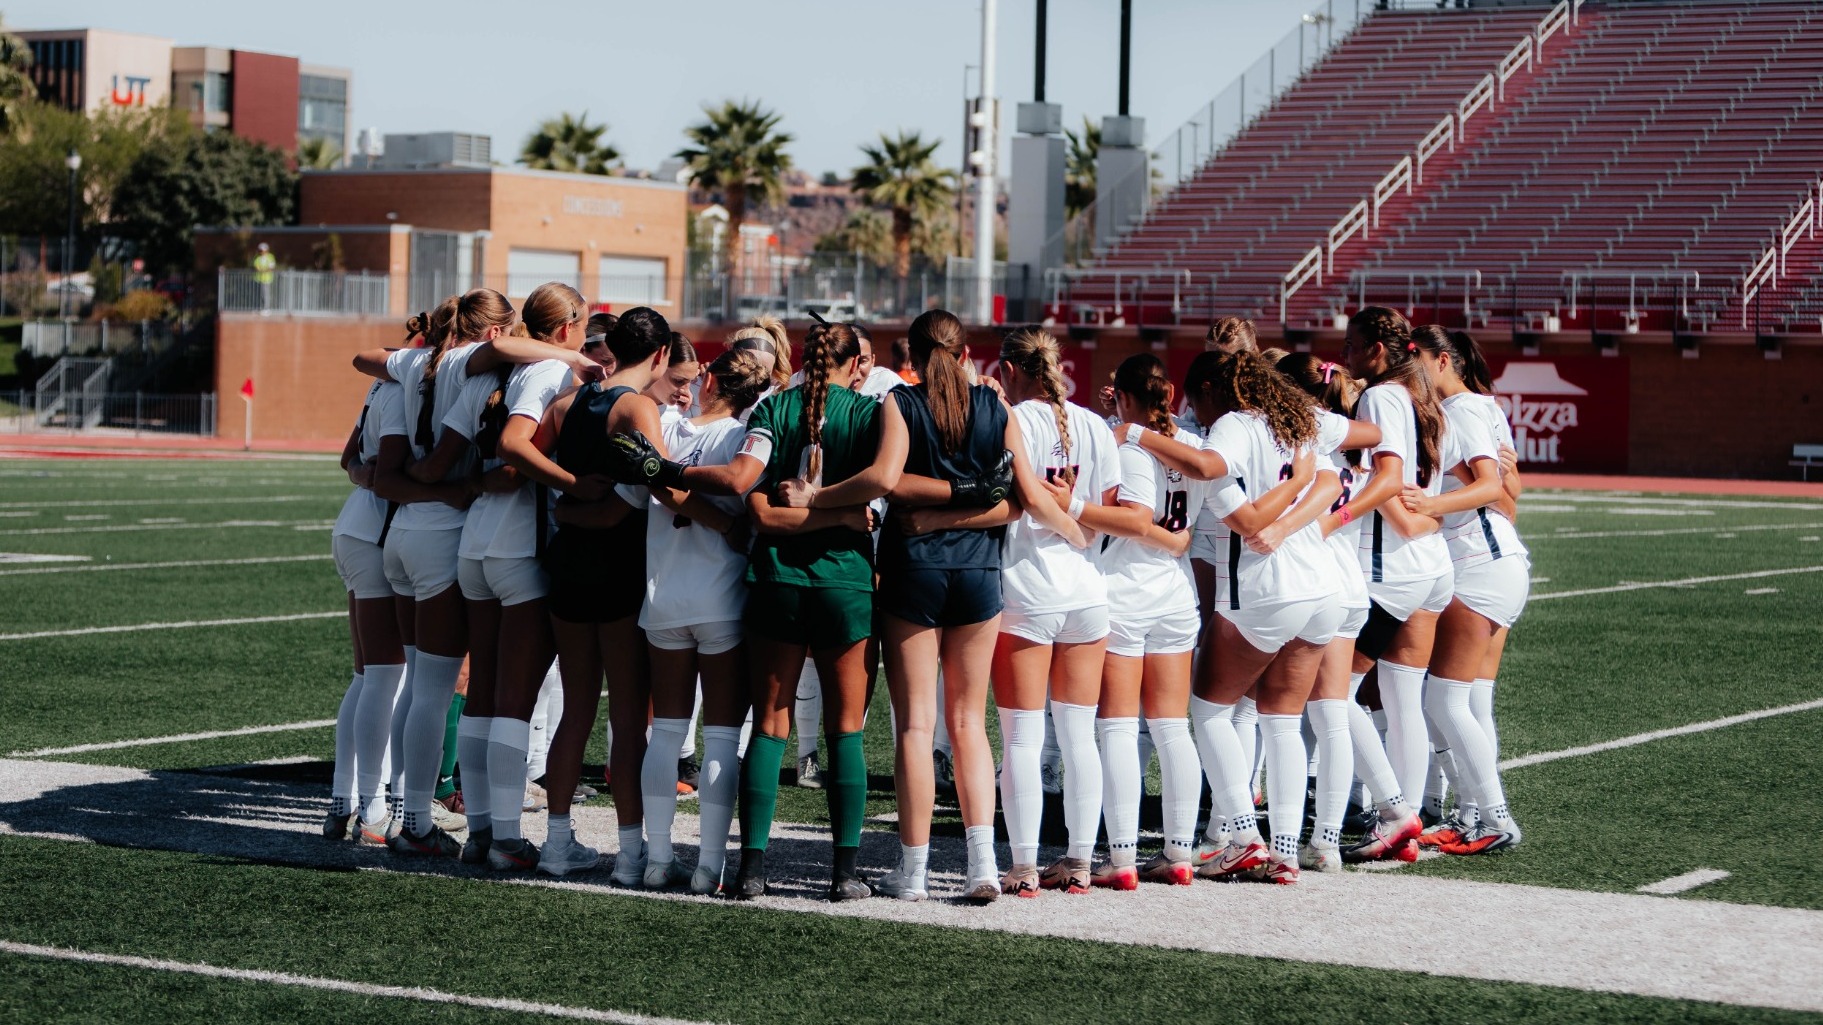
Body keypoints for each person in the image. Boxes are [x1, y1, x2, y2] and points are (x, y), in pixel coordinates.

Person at [867, 311, 1080, 902]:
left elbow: (889, 482)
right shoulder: (996, 407)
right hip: (980, 573)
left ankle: (913, 871)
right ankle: (982, 864)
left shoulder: (901, 403)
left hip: (915, 567)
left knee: (915, 724)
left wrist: (939, 506)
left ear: (911, 354)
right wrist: (1072, 527)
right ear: (966, 355)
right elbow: (1025, 496)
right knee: (969, 723)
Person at [1122, 350, 1347, 884]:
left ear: (1210, 388)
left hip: (1266, 587)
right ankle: (1286, 852)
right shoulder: (1293, 420)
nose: (1193, 411)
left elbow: (1211, 474)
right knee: (1282, 720)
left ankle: (1245, 836)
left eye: (1196, 398)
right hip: (1321, 584)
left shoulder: (1234, 426)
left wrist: (1134, 436)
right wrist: (1294, 497)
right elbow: (1331, 482)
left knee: (1209, 711)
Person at [348, 290, 514, 858]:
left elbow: (363, 359)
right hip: (441, 537)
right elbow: (442, 461)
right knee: (433, 692)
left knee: (412, 685)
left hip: (400, 535)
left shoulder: (417, 360)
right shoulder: (469, 367)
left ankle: (396, 808)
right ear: (493, 333)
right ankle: (414, 820)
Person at [736, 321, 895, 901]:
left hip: (777, 577)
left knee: (771, 725)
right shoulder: (874, 414)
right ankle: (843, 875)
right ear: (857, 364)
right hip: (845, 582)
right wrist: (844, 517)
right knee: (846, 730)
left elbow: (767, 517)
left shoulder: (769, 410)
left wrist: (807, 511)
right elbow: (881, 492)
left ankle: (751, 871)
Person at [441, 282, 593, 874]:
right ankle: (504, 835)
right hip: (517, 545)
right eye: (582, 323)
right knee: (513, 697)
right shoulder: (547, 373)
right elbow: (511, 445)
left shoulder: (491, 367)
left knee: (483, 691)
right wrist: (572, 483)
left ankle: (481, 830)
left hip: (477, 539)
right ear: (564, 327)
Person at [1049, 354, 1209, 888]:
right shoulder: (1189, 445)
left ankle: (1120, 859)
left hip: (1128, 591)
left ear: (1124, 395)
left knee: (1116, 727)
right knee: (1170, 727)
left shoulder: (1135, 449)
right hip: (1174, 592)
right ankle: (1179, 852)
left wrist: (1072, 506)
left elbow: (1136, 520)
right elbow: (1175, 528)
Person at [633, 348, 772, 893]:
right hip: (721, 600)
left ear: (709, 378)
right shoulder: (745, 438)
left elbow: (657, 481)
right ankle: (708, 866)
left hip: (664, 596)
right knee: (719, 738)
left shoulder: (664, 422)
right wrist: (724, 525)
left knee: (665, 732)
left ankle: (657, 859)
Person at [1274, 352, 1417, 873]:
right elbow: (1377, 435)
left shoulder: (1302, 436)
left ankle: (1255, 827)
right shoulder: (1345, 441)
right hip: (1351, 590)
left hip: (1317, 587)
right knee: (1334, 710)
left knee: (1297, 714)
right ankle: (1332, 837)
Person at [989, 326, 1114, 894]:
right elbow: (1104, 511)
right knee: (1078, 734)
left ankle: (1022, 864)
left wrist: (1069, 528)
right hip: (1087, 594)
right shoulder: (1094, 424)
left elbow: (1027, 498)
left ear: (1013, 370)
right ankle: (1081, 860)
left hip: (1028, 592)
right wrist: (1081, 533)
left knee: (1021, 735)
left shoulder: (1014, 418)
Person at [1334, 305, 1453, 864]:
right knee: (1403, 696)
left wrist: (1336, 516)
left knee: (1333, 691)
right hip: (1426, 562)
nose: (1346, 356)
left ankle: (1393, 811)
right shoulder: (1423, 396)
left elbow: (1391, 480)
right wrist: (1425, 521)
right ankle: (1404, 816)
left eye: (1353, 346)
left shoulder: (1382, 396)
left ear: (1378, 350)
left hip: (1390, 565)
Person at [1403, 326, 1527, 856]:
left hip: (1481, 562)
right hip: (1493, 558)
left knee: (1442, 699)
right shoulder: (1477, 407)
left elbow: (1493, 486)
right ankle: (1473, 815)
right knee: (1472, 701)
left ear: (1443, 361)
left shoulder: (1465, 410)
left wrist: (1428, 506)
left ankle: (1496, 818)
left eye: (1419, 362)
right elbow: (1508, 487)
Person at [324, 370, 413, 842]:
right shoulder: (410, 382)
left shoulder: (384, 381)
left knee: (368, 675)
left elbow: (351, 460)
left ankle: (343, 802)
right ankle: (375, 807)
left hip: (356, 523)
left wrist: (367, 475)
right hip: (378, 529)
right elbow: (391, 472)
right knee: (386, 675)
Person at [253, 243, 276, 314]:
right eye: (260, 250)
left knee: (266, 294)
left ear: (266, 250)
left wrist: (263, 270)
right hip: (258, 278)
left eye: (262, 250)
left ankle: (267, 309)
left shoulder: (270, 257)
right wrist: (261, 270)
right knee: (259, 294)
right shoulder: (257, 257)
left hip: (267, 279)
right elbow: (256, 266)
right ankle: (260, 308)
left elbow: (271, 267)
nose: (261, 252)